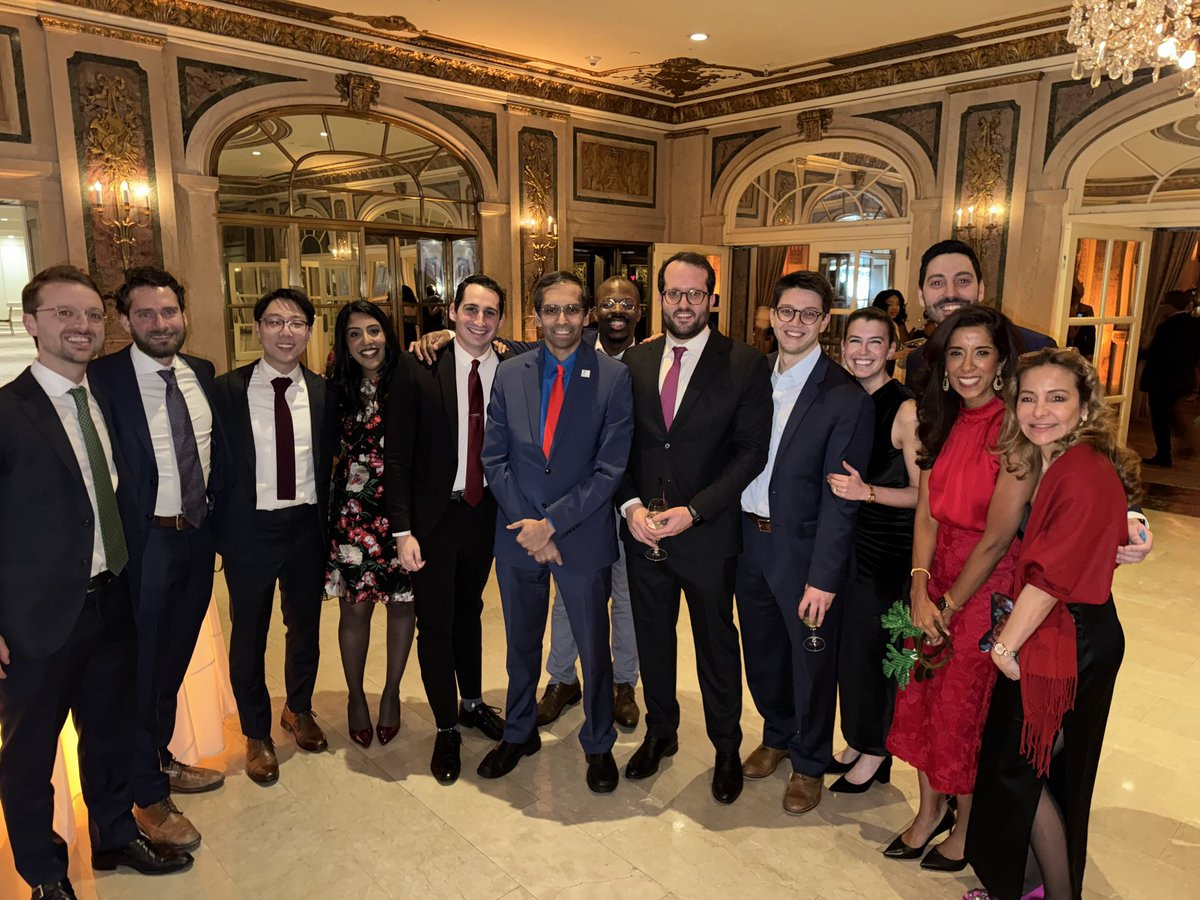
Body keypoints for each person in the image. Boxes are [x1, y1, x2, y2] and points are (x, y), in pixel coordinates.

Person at [0, 266, 192, 899]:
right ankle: (44, 874)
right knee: (30, 754)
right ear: (30, 323)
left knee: (109, 732)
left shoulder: (103, 398)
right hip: (37, 620)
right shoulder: (7, 412)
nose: (81, 326)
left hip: (113, 599)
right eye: (64, 313)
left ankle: (114, 835)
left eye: (90, 315)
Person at [965, 348, 1140, 900]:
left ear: (1085, 407)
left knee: (1017, 769)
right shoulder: (1057, 460)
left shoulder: (1081, 470)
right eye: (1028, 398)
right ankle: (1031, 884)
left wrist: (1004, 646)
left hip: (1066, 636)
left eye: (1057, 398)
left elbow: (1050, 578)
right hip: (1066, 629)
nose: (1039, 411)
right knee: (1039, 767)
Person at [617, 251, 772, 805]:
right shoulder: (635, 361)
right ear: (659, 298)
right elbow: (618, 444)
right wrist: (631, 507)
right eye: (673, 293)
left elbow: (751, 453)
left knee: (715, 646)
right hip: (645, 533)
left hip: (708, 534)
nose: (683, 304)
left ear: (712, 299)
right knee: (653, 639)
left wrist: (695, 510)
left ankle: (726, 748)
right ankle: (661, 732)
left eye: (695, 294)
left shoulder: (745, 363)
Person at [885, 305, 1031, 872]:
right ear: (943, 364)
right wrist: (920, 588)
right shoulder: (940, 420)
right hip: (935, 574)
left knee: (962, 711)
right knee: (921, 694)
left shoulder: (1014, 430)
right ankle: (929, 811)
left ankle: (967, 826)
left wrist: (947, 603)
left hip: (985, 588)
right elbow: (926, 511)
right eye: (956, 353)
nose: (968, 365)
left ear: (1001, 364)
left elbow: (997, 538)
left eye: (981, 353)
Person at [477, 270, 633, 792]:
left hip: (580, 534)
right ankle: (518, 732)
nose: (561, 319)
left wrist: (552, 524)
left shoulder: (612, 377)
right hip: (518, 533)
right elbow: (493, 457)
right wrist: (530, 526)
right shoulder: (510, 373)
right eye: (551, 310)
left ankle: (598, 743)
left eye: (571, 309)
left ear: (586, 315)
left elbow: (610, 469)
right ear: (537, 316)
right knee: (520, 645)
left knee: (593, 648)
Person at [89, 268, 228, 853]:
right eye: (144, 314)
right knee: (141, 670)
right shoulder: (102, 379)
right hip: (142, 545)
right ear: (124, 321)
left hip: (195, 537)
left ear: (183, 314)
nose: (160, 323)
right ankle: (145, 793)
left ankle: (159, 757)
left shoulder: (202, 372)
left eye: (168, 311)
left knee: (172, 661)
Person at [736, 271, 873, 815]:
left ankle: (810, 761)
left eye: (809, 314)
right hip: (749, 540)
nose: (796, 323)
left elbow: (843, 501)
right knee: (762, 651)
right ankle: (777, 734)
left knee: (811, 662)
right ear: (771, 316)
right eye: (787, 311)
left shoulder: (844, 396)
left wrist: (824, 577)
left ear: (824, 322)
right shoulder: (751, 376)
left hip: (805, 551)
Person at [385, 275, 509, 786]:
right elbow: (396, 458)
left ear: (501, 320)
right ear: (452, 311)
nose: (480, 320)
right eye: (471, 309)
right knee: (435, 622)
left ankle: (472, 702)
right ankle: (445, 726)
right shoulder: (418, 366)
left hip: (485, 513)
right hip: (433, 518)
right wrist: (402, 530)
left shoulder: (513, 366)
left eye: (490, 312)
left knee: (470, 611)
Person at [211, 287, 336, 786]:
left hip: (306, 526)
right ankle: (256, 732)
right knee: (249, 634)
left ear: (309, 331)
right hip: (250, 530)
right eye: (275, 322)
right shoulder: (226, 391)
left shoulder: (324, 391)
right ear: (257, 328)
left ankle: (298, 708)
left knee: (304, 627)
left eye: (296, 323)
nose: (286, 332)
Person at [537, 275, 643, 731]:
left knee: (627, 597)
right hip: (580, 505)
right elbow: (505, 346)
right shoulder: (568, 350)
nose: (617, 310)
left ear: (640, 311)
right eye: (608, 303)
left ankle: (624, 683)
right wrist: (443, 333)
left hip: (636, 505)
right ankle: (562, 678)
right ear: (593, 311)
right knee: (569, 595)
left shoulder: (652, 360)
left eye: (627, 303)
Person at [825, 306, 921, 795]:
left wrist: (868, 493)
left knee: (878, 653)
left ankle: (877, 749)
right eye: (855, 341)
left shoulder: (905, 409)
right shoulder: (842, 397)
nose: (863, 352)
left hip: (887, 551)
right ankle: (858, 740)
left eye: (875, 342)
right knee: (851, 652)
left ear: (892, 350)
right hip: (847, 544)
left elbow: (924, 495)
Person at [324, 301, 415, 750]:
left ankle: (392, 692)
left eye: (373, 330)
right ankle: (356, 696)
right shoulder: (335, 387)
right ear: (344, 343)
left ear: (388, 333)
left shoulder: (411, 377)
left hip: (404, 514)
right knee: (355, 609)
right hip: (354, 514)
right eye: (355, 334)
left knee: (402, 605)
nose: (366, 341)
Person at [903, 240, 1055, 388]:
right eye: (937, 283)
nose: (950, 293)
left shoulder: (1035, 348)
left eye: (963, 281)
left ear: (981, 289)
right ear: (921, 296)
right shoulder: (917, 361)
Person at [1139, 290, 1200, 467]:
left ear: (1170, 306)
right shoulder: (1193, 325)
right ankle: (1186, 443)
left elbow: (1159, 354)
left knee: (1160, 418)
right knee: (1171, 413)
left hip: (1163, 380)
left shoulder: (1168, 326)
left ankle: (1164, 454)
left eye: (1164, 305)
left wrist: (1138, 352)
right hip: (1182, 378)